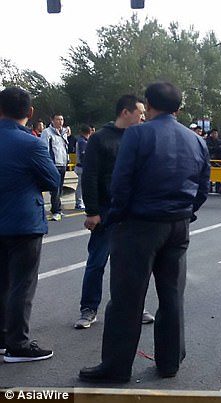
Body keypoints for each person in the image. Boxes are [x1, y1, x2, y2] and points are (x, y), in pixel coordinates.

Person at [79, 82, 210, 383]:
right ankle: (170, 362)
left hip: (139, 224)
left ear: (148, 105)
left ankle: (116, 367)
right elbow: (203, 187)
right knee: (172, 295)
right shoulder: (195, 140)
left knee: (127, 299)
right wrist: (187, 212)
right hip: (178, 225)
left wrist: (118, 216)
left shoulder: (137, 134)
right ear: (178, 108)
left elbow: (121, 183)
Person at [74, 95, 155, 330]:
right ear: (125, 112)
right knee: (97, 261)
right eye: (140, 112)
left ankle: (134, 307)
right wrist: (92, 211)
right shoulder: (101, 138)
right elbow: (90, 177)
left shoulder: (140, 137)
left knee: (133, 264)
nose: (143, 117)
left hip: (133, 210)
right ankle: (88, 309)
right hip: (107, 210)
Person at [0, 87, 60, 363]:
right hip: (24, 223)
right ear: (30, 112)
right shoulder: (32, 143)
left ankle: (3, 338)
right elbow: (52, 181)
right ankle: (17, 344)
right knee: (21, 286)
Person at [40, 113, 70, 221]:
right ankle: (55, 211)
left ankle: (58, 208)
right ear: (52, 120)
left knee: (60, 188)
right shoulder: (47, 133)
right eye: (57, 119)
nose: (60, 122)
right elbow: (45, 149)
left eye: (62, 119)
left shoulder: (63, 133)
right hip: (54, 164)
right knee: (55, 188)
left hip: (62, 163)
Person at [74, 125, 92, 210]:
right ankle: (79, 202)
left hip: (81, 166)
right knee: (81, 186)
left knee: (83, 185)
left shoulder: (83, 141)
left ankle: (81, 201)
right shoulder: (82, 142)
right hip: (82, 167)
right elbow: (83, 155)